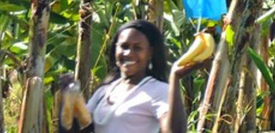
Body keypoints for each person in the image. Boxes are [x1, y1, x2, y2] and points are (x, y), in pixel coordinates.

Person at [59, 20, 209, 133]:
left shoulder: (158, 90)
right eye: (124, 46)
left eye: (137, 48)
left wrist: (175, 78)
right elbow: (80, 129)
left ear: (150, 53)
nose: (128, 53)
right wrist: (68, 98)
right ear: (115, 48)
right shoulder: (105, 91)